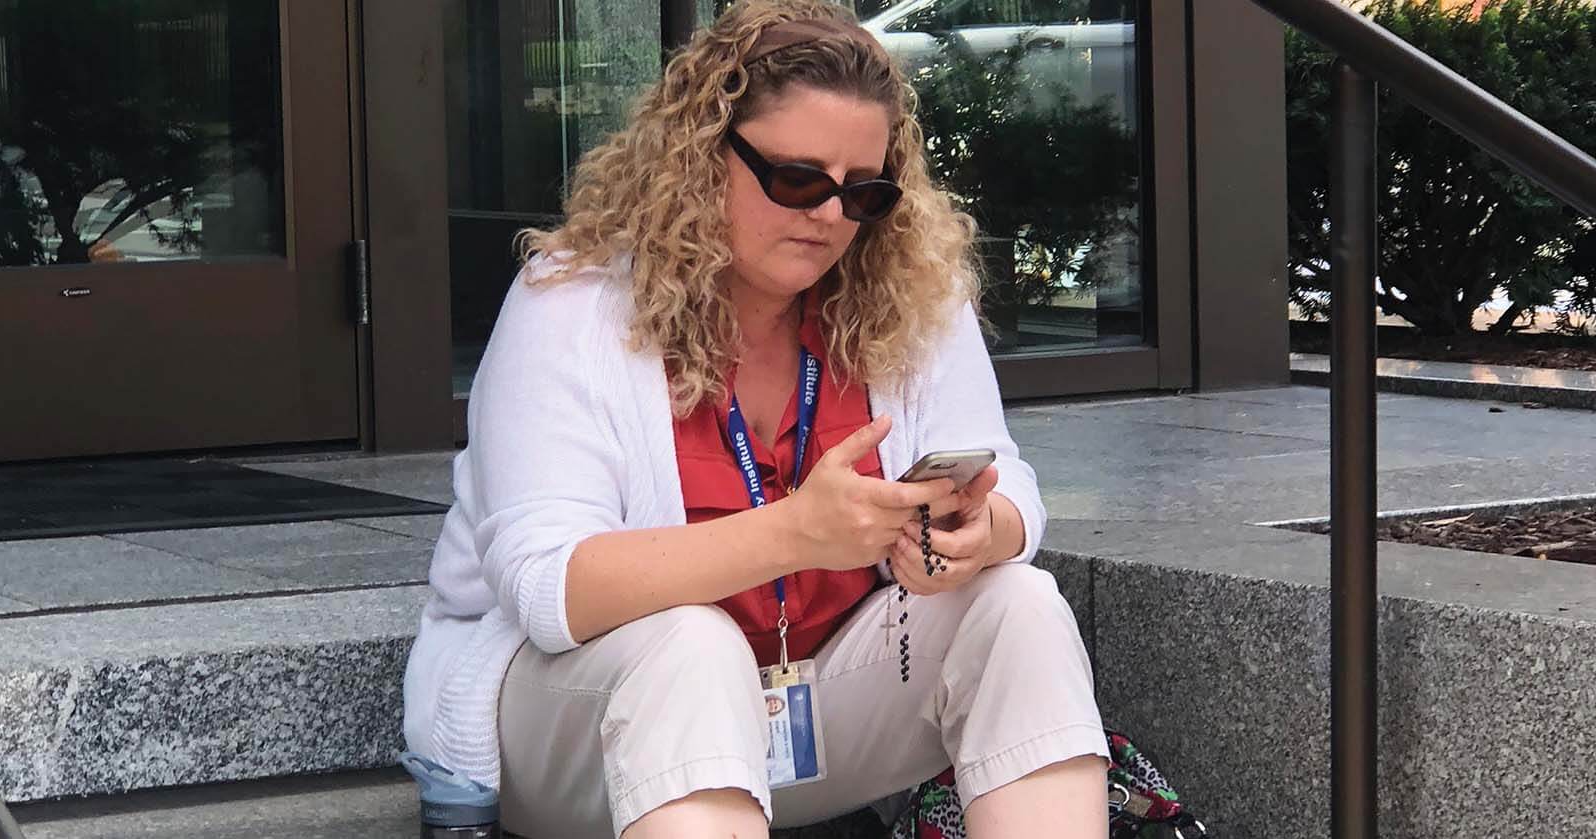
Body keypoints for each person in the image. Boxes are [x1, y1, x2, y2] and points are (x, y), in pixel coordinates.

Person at [401, 2, 1109, 836]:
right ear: (702, 156)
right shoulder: (574, 302)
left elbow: (1011, 483)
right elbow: (548, 587)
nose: (831, 215)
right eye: (797, 179)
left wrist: (976, 531)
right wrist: (797, 533)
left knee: (1017, 605)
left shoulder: (907, 297)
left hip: (804, 713)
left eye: (865, 191)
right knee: (690, 646)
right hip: (571, 731)